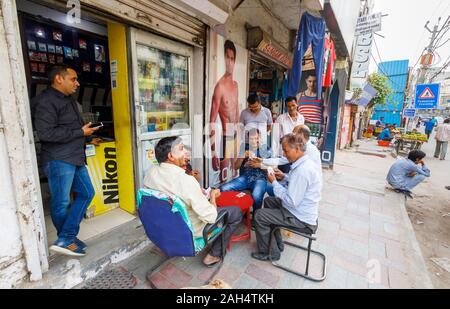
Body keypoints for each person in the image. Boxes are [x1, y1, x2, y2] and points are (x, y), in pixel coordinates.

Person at [32, 64, 100, 256]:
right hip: (59, 159)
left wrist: (87, 136)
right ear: (59, 79)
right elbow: (46, 134)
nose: (77, 83)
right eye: (73, 79)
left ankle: (66, 237)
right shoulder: (45, 102)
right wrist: (80, 132)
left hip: (75, 156)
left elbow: (72, 127)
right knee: (61, 202)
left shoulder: (69, 100)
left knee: (87, 193)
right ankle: (67, 239)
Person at [144, 136, 242, 267]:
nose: (186, 152)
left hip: (162, 228)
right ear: (171, 156)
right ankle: (214, 254)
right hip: (190, 233)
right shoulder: (185, 181)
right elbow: (211, 217)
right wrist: (212, 196)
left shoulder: (151, 172)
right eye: (181, 149)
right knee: (235, 212)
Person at [251, 134, 321, 261]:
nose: (284, 154)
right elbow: (297, 185)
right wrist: (284, 177)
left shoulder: (303, 171)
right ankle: (277, 244)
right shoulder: (303, 164)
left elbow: (291, 201)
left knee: (259, 216)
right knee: (269, 201)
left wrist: (274, 182)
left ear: (298, 149)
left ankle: (270, 253)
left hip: (301, 219)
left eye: (286, 150)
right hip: (300, 210)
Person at [219, 129, 271, 216]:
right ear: (248, 139)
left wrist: (259, 165)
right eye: (252, 139)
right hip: (245, 178)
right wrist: (242, 157)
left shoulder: (266, 149)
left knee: (257, 196)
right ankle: (231, 213)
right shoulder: (244, 147)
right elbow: (236, 167)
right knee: (223, 189)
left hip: (260, 179)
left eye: (256, 138)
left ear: (259, 138)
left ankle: (256, 216)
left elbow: (271, 168)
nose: (254, 141)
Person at [209, 40, 240, 183]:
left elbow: (237, 114)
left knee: (235, 173)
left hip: (235, 137)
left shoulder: (236, 86)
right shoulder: (220, 87)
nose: (229, 62)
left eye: (232, 58)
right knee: (224, 179)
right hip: (225, 138)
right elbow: (211, 122)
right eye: (227, 58)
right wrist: (213, 151)